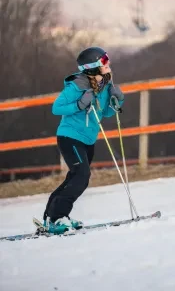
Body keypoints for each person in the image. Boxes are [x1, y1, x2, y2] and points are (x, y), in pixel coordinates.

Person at [42, 46, 124, 234]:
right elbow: (57, 108)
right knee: (81, 176)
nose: (108, 63)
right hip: (70, 137)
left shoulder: (105, 85)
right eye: (104, 61)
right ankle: (56, 218)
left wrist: (117, 101)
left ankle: (50, 217)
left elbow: (104, 113)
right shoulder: (77, 85)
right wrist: (79, 104)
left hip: (87, 140)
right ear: (93, 66)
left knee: (75, 177)